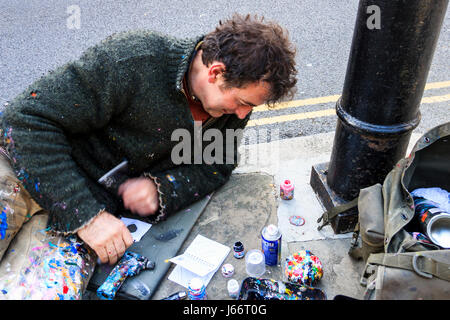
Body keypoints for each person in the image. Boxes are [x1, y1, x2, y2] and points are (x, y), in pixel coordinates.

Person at [0, 13, 297, 299]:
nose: (244, 114)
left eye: (251, 108)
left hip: (89, 208)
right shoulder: (134, 59)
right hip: (27, 169)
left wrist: (161, 188)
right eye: (243, 102)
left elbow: (216, 165)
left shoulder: (228, 110)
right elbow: (23, 121)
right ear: (216, 72)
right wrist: (87, 218)